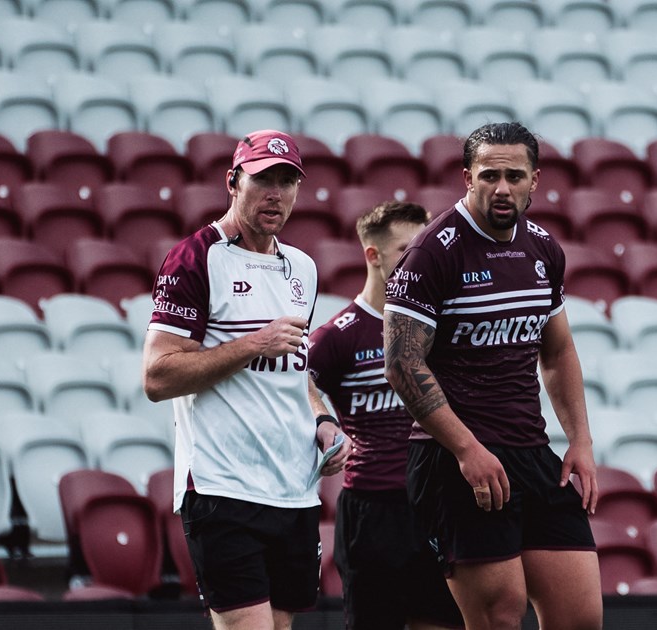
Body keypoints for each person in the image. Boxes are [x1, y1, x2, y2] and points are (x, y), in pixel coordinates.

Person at [382, 122, 602, 630]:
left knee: (580, 618)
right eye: (489, 175)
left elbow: (559, 351)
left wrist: (581, 441)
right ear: (467, 178)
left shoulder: (544, 248)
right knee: (500, 618)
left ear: (535, 181)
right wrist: (466, 450)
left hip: (529, 452)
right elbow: (401, 364)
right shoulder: (432, 252)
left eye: (514, 176)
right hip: (455, 459)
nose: (502, 187)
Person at [142, 129, 351, 630]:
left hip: (292, 489)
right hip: (221, 487)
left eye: (287, 181)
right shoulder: (196, 257)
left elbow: (297, 372)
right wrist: (252, 344)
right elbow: (157, 376)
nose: (275, 194)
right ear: (233, 181)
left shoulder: (302, 268)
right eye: (263, 180)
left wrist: (323, 420)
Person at [308, 201, 465, 630]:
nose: (418, 260)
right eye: (405, 250)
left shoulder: (439, 324)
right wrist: (323, 418)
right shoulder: (340, 334)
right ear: (373, 256)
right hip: (372, 513)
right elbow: (296, 380)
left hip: (435, 502)